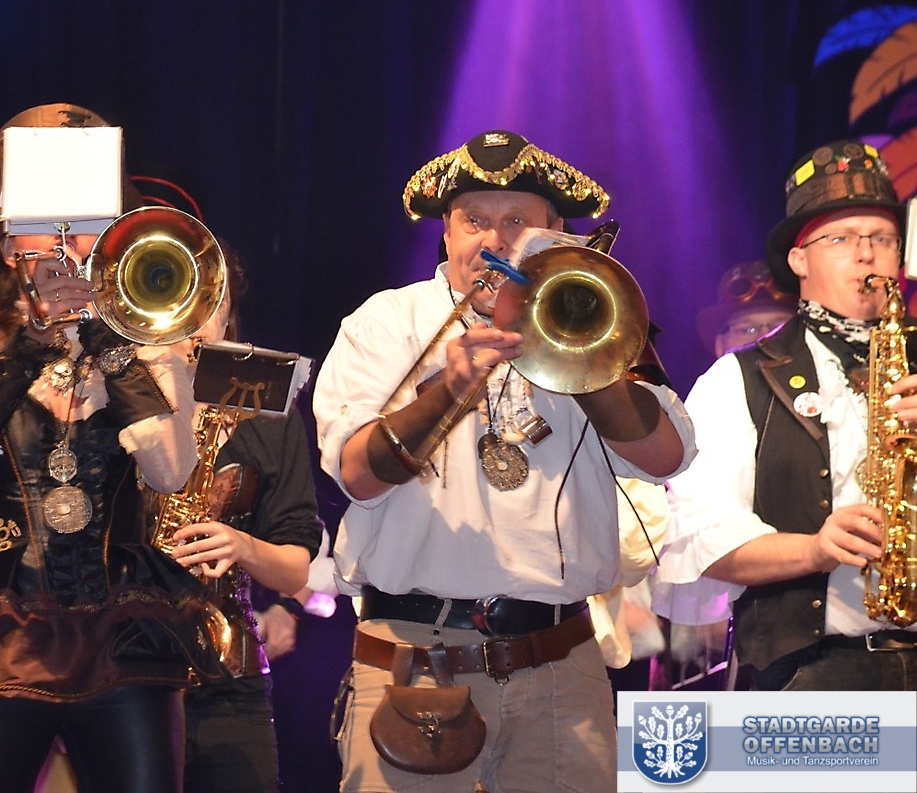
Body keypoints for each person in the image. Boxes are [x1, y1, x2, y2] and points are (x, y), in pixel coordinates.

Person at [312, 129, 695, 792]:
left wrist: (580, 351)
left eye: (516, 221)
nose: (491, 240)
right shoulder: (387, 320)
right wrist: (447, 389)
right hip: (416, 658)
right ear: (446, 233)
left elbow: (666, 456)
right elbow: (358, 474)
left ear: (556, 234)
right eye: (473, 221)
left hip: (561, 665)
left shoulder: (593, 317)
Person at [0, 104, 224, 793]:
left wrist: (110, 344)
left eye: (84, 225)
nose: (65, 244)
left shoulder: (153, 352)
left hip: (123, 635)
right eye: (44, 225)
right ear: (6, 243)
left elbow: (170, 470)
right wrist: (32, 343)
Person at [659, 140, 917, 690]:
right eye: (842, 238)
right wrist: (815, 549)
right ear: (799, 260)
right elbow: (702, 537)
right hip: (814, 674)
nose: (867, 254)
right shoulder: (738, 378)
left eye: (882, 238)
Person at [164, 245, 324, 793]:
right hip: (118, 675)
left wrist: (242, 545)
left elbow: (296, 568)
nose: (195, 321)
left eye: (211, 301)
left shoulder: (266, 409)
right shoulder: (109, 397)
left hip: (227, 679)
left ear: (229, 313)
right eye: (178, 298)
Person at [650, 260, 797, 690]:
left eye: (775, 327)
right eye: (747, 329)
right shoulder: (678, 419)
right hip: (692, 648)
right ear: (720, 343)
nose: (763, 339)